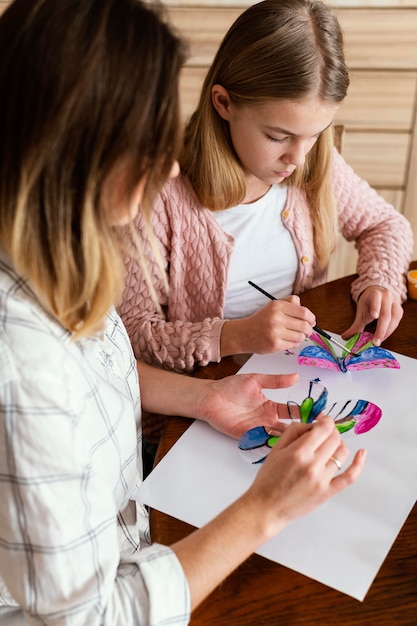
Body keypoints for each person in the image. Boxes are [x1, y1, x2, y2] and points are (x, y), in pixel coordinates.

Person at [0, 0, 366, 624]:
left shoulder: (57, 261)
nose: (168, 163)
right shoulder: (20, 363)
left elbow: (100, 377)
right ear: (73, 154)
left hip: (136, 534)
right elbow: (89, 617)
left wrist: (205, 398)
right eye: (147, 142)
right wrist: (263, 510)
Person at [119, 0, 413, 381]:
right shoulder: (162, 196)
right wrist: (234, 335)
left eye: (314, 135)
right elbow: (131, 337)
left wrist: (381, 280)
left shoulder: (315, 164)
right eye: (278, 136)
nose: (298, 158)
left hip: (302, 378)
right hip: (203, 399)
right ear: (224, 103)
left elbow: (386, 225)